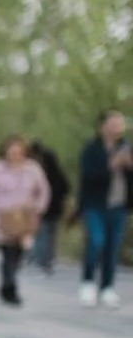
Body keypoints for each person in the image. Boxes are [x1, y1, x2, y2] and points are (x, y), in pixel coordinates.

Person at [0, 138, 50, 308]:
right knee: (7, 252)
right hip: (2, 217)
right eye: (12, 151)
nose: (15, 154)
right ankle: (10, 287)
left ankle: (7, 284)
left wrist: (38, 208)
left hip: (25, 217)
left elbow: (44, 190)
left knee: (18, 253)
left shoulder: (32, 169)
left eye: (18, 151)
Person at [76, 110, 131, 307]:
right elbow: (89, 177)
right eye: (113, 122)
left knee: (112, 247)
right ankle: (88, 282)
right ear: (102, 126)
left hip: (118, 205)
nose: (118, 126)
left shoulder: (127, 148)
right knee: (96, 240)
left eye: (120, 123)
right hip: (94, 205)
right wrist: (112, 164)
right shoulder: (91, 149)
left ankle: (107, 287)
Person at [29, 141, 69, 273]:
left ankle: (43, 260)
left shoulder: (41, 175)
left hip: (43, 209)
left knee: (42, 234)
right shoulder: (60, 175)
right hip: (56, 210)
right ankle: (48, 258)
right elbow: (66, 190)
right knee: (51, 235)